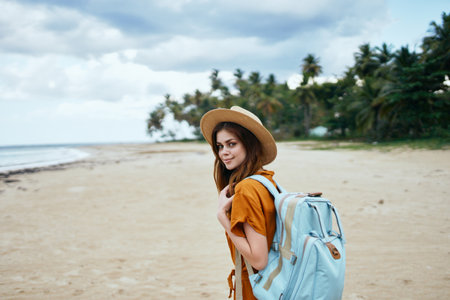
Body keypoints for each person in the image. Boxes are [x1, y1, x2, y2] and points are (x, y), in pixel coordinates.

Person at [200, 106, 278, 299]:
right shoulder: (266, 180)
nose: (223, 152)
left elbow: (259, 260)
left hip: (256, 289)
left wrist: (223, 219)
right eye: (220, 146)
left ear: (249, 144)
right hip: (275, 285)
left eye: (231, 144)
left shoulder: (246, 188)